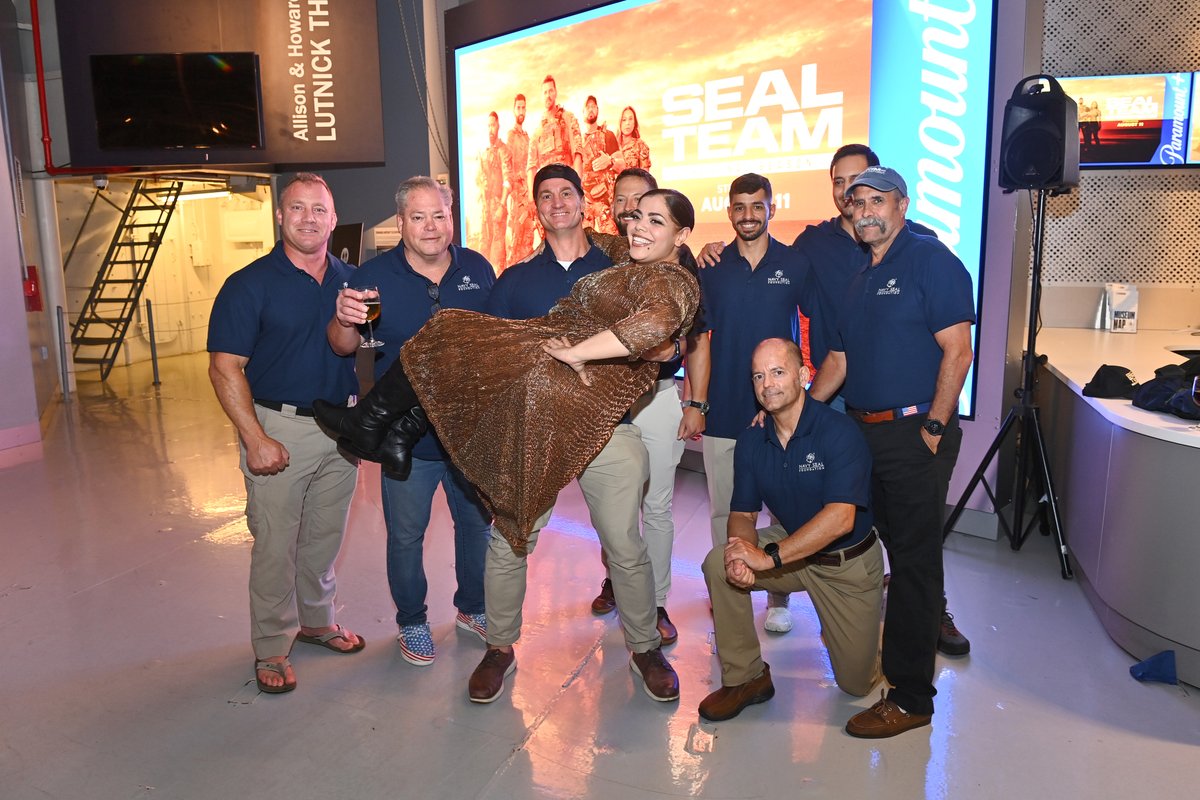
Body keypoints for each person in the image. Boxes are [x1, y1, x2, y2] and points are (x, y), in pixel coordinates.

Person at [315, 165, 699, 705]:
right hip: (533, 425)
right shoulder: (552, 270)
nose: (640, 227)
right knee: (508, 540)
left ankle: (643, 647)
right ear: (536, 207)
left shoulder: (644, 270)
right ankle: (498, 647)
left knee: (625, 548)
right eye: (546, 195)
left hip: (604, 428)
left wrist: (588, 351)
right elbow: (484, 363)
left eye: (656, 221)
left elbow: (659, 328)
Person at [809, 165, 975, 738]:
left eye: (876, 200)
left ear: (902, 205)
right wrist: (798, 410)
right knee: (864, 548)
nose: (864, 211)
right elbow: (840, 362)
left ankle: (910, 698)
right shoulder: (857, 280)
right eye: (855, 202)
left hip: (912, 436)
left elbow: (958, 348)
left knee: (914, 566)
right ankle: (872, 661)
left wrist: (933, 424)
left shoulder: (931, 259)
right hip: (862, 433)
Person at [322, 176, 494, 667]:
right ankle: (412, 621)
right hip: (406, 439)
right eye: (418, 217)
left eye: (439, 215)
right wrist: (344, 318)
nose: (431, 227)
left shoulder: (477, 269)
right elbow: (342, 345)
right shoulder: (371, 277)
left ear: (451, 216)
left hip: (468, 433)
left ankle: (473, 609)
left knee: (475, 528)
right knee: (405, 536)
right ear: (400, 223)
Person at [208, 173, 365, 695]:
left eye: (318, 209)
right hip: (279, 427)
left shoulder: (352, 280)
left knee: (324, 538)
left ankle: (317, 623)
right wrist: (255, 437)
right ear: (280, 216)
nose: (308, 218)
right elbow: (225, 367)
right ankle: (272, 647)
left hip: (341, 428)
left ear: (333, 217)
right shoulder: (249, 284)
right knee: (276, 545)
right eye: (296, 208)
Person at [699, 338, 884, 721]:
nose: (768, 384)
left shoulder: (839, 431)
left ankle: (876, 629)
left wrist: (768, 558)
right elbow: (744, 514)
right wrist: (740, 551)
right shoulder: (753, 440)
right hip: (791, 555)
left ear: (802, 375)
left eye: (778, 372)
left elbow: (840, 518)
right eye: (759, 376)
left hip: (844, 564)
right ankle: (746, 677)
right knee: (718, 562)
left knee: (856, 683)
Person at [683, 173, 816, 634]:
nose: (748, 216)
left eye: (757, 206)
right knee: (727, 511)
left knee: (782, 511)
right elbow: (698, 338)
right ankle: (731, 596)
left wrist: (801, 392)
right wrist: (695, 401)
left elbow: (814, 333)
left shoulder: (796, 265)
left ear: (772, 209)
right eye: (739, 207)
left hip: (780, 414)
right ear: (730, 212)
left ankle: (777, 595)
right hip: (725, 410)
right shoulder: (713, 267)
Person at [587, 167, 686, 646]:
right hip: (611, 400)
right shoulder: (603, 259)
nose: (631, 211)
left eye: (641, 204)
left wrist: (698, 402)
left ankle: (658, 602)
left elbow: (693, 345)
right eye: (622, 202)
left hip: (662, 398)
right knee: (616, 506)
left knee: (658, 505)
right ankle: (616, 581)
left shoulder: (679, 270)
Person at [528, 75, 583, 191]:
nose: (548, 96)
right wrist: (532, 197)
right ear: (541, 96)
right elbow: (531, 165)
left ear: (556, 92)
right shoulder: (537, 130)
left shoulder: (568, 118)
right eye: (545, 92)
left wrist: (577, 186)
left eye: (550, 91)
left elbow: (578, 153)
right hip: (546, 187)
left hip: (566, 182)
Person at [477, 111, 512, 269]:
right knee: (483, 253)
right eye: (488, 125)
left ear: (498, 126)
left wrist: (501, 206)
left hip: (498, 208)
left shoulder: (503, 150)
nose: (491, 129)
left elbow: (508, 181)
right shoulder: (484, 154)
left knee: (497, 257)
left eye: (493, 125)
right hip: (486, 212)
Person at [580, 95, 620, 234]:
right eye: (588, 107)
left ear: (597, 110)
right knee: (582, 248)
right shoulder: (578, 141)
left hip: (605, 206)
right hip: (585, 206)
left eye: (593, 107)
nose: (591, 110)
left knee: (612, 246)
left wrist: (610, 161)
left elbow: (622, 165)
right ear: (583, 111)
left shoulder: (607, 135)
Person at [507, 93, 535, 265]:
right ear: (513, 110)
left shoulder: (527, 137)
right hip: (517, 200)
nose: (521, 111)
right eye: (518, 107)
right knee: (515, 242)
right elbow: (509, 171)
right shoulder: (511, 136)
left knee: (528, 241)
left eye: (523, 107)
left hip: (528, 200)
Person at [614, 106, 651, 172]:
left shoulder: (641, 145)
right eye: (624, 120)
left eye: (630, 119)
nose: (627, 123)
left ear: (634, 122)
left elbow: (645, 177)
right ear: (620, 123)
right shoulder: (613, 146)